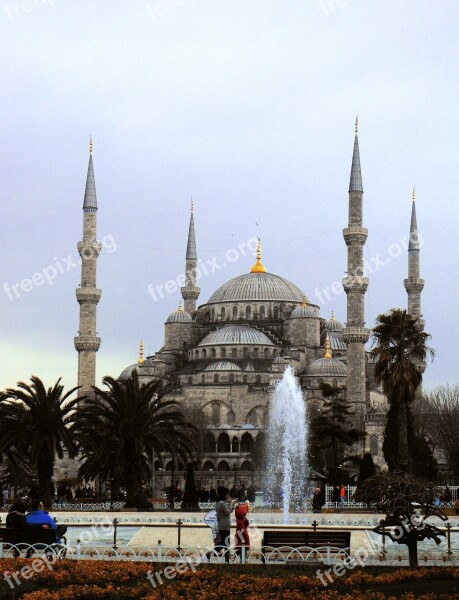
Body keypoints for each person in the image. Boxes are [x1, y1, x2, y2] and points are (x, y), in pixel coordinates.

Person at [216, 489, 233, 563]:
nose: (228, 496)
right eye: (227, 494)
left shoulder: (222, 503)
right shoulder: (221, 503)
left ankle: (227, 560)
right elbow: (228, 512)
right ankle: (211, 553)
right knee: (224, 542)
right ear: (224, 495)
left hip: (225, 525)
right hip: (223, 526)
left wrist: (230, 504)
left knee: (227, 543)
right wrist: (230, 504)